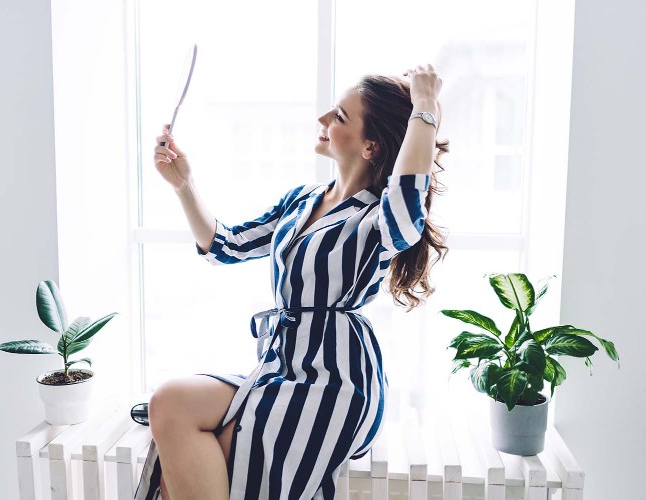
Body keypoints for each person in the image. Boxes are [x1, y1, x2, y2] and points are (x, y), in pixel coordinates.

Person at [134, 64, 449, 500]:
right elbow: (226, 245)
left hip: (336, 379)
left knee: (214, 464)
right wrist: (183, 185)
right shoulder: (302, 200)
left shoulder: (379, 216)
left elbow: (407, 200)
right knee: (169, 401)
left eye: (339, 116)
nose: (323, 119)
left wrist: (425, 105)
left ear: (371, 145)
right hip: (280, 364)